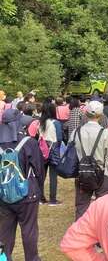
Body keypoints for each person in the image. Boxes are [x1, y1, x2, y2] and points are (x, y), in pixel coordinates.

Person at [0, 109, 45, 261]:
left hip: (3, 195)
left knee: (4, 232)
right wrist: (39, 191)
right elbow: (39, 170)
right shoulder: (29, 142)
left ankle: (3, 258)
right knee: (29, 230)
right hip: (27, 194)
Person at [71, 101, 108, 220]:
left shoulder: (76, 132)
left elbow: (72, 152)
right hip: (103, 171)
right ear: (101, 115)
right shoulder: (105, 133)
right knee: (103, 206)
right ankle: (101, 233)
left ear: (86, 114)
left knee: (82, 205)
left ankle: (81, 233)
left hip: (82, 172)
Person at [38, 102, 63, 206]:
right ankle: (53, 200)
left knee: (41, 175)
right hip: (53, 150)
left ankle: (41, 198)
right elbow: (60, 138)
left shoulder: (40, 122)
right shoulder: (55, 123)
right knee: (53, 176)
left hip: (42, 150)